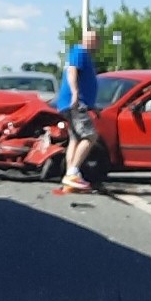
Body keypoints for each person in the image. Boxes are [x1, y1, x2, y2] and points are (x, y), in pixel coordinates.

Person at [56, 30, 102, 191]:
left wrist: (92, 105)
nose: (97, 44)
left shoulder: (81, 54)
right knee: (90, 136)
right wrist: (75, 94)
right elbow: (72, 71)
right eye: (95, 40)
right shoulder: (79, 52)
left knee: (75, 138)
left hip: (74, 103)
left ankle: (70, 176)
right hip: (76, 103)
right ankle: (73, 173)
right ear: (86, 40)